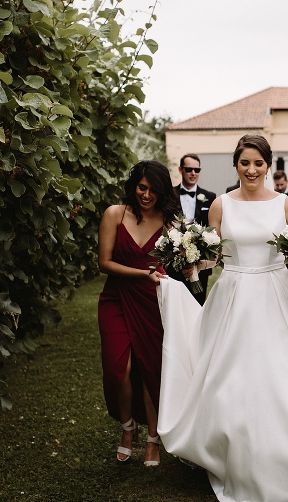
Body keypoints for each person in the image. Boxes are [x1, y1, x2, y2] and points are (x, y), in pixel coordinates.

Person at [156, 134, 288, 502]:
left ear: (268, 165)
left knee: (280, 376)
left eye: (258, 163)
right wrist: (188, 262)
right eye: (244, 163)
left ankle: (283, 452)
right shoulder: (221, 205)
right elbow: (215, 259)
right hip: (233, 296)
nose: (251, 170)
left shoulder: (286, 204)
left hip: (277, 297)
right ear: (236, 164)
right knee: (231, 379)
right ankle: (231, 451)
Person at [97, 160, 180, 467]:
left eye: (153, 190)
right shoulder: (114, 214)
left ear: (162, 192)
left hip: (152, 301)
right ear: (133, 186)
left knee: (150, 369)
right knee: (119, 368)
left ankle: (152, 440)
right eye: (141, 187)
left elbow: (177, 265)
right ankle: (127, 427)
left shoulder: (170, 224)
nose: (146, 195)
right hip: (116, 298)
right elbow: (104, 263)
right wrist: (142, 273)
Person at [173, 154, 217, 304]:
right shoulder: (170, 195)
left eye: (197, 170)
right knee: (176, 304)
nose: (193, 173)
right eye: (189, 169)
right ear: (180, 169)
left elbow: (212, 228)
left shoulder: (210, 197)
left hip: (200, 259)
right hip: (174, 258)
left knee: (198, 303)